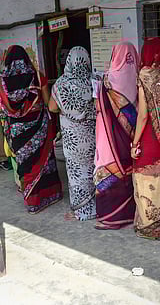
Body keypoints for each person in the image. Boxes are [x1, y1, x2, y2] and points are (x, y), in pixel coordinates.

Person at [0, 45, 63, 213]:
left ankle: (33, 201)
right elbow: (48, 103)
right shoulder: (37, 77)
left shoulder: (2, 82)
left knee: (26, 165)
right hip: (39, 129)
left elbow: (3, 109)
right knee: (44, 162)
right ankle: (51, 194)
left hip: (17, 131)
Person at [130, 37, 160, 239]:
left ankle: (151, 226)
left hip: (149, 135)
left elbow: (143, 115)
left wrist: (134, 142)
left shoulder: (144, 74)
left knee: (145, 181)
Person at [94, 42, 139, 230]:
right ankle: (128, 213)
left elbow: (98, 107)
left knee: (108, 166)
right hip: (132, 132)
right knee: (127, 167)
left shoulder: (106, 80)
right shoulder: (139, 76)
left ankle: (109, 217)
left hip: (106, 134)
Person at [49, 46, 96, 221]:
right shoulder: (94, 80)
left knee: (77, 174)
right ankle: (99, 206)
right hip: (92, 136)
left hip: (72, 139)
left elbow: (52, 107)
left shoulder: (61, 83)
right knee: (94, 169)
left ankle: (82, 211)